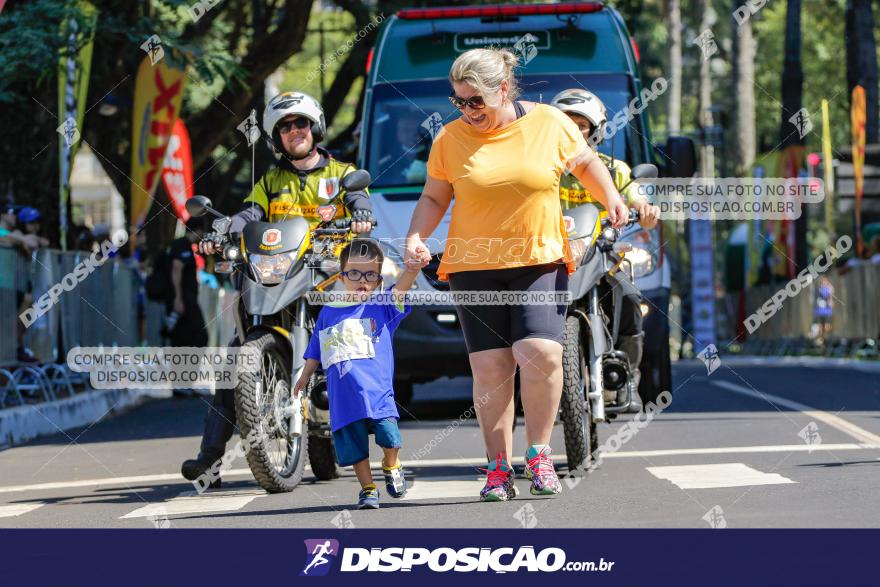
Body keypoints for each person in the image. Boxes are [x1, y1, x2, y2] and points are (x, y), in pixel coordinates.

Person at [404, 48, 630, 502]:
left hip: (537, 256)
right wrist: (416, 235)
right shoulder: (450, 139)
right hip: (473, 264)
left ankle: (540, 453)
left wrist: (610, 199)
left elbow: (585, 163)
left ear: (503, 90)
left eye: (475, 102)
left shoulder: (549, 123)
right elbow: (434, 197)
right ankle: (498, 468)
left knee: (541, 351)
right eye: (459, 102)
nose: (468, 112)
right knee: (491, 366)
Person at [182, 90, 376, 485]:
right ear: (276, 137)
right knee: (238, 355)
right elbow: (248, 215)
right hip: (281, 276)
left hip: (328, 275)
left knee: (353, 343)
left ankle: (368, 431)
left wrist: (362, 215)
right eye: (285, 127)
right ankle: (210, 459)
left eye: (301, 123)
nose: (294, 131)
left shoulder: (340, 173)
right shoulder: (271, 181)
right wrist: (222, 229)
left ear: (315, 127)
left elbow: (358, 198)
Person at [293, 239, 424, 509]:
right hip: (343, 398)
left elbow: (401, 288)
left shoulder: (383, 306)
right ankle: (367, 489)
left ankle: (391, 464)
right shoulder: (329, 312)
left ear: (378, 280)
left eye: (369, 275)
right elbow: (316, 347)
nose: (361, 280)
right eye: (354, 273)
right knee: (354, 449)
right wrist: (305, 375)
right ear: (342, 277)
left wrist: (411, 269)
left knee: (390, 437)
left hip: (378, 394)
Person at [550, 88, 660, 408]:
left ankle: (628, 376)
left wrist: (647, 211)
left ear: (596, 130)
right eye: (565, 124)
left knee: (628, 295)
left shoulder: (615, 169)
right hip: (554, 257)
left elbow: (636, 196)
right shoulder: (544, 169)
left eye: (580, 125)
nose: (573, 131)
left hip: (603, 254)